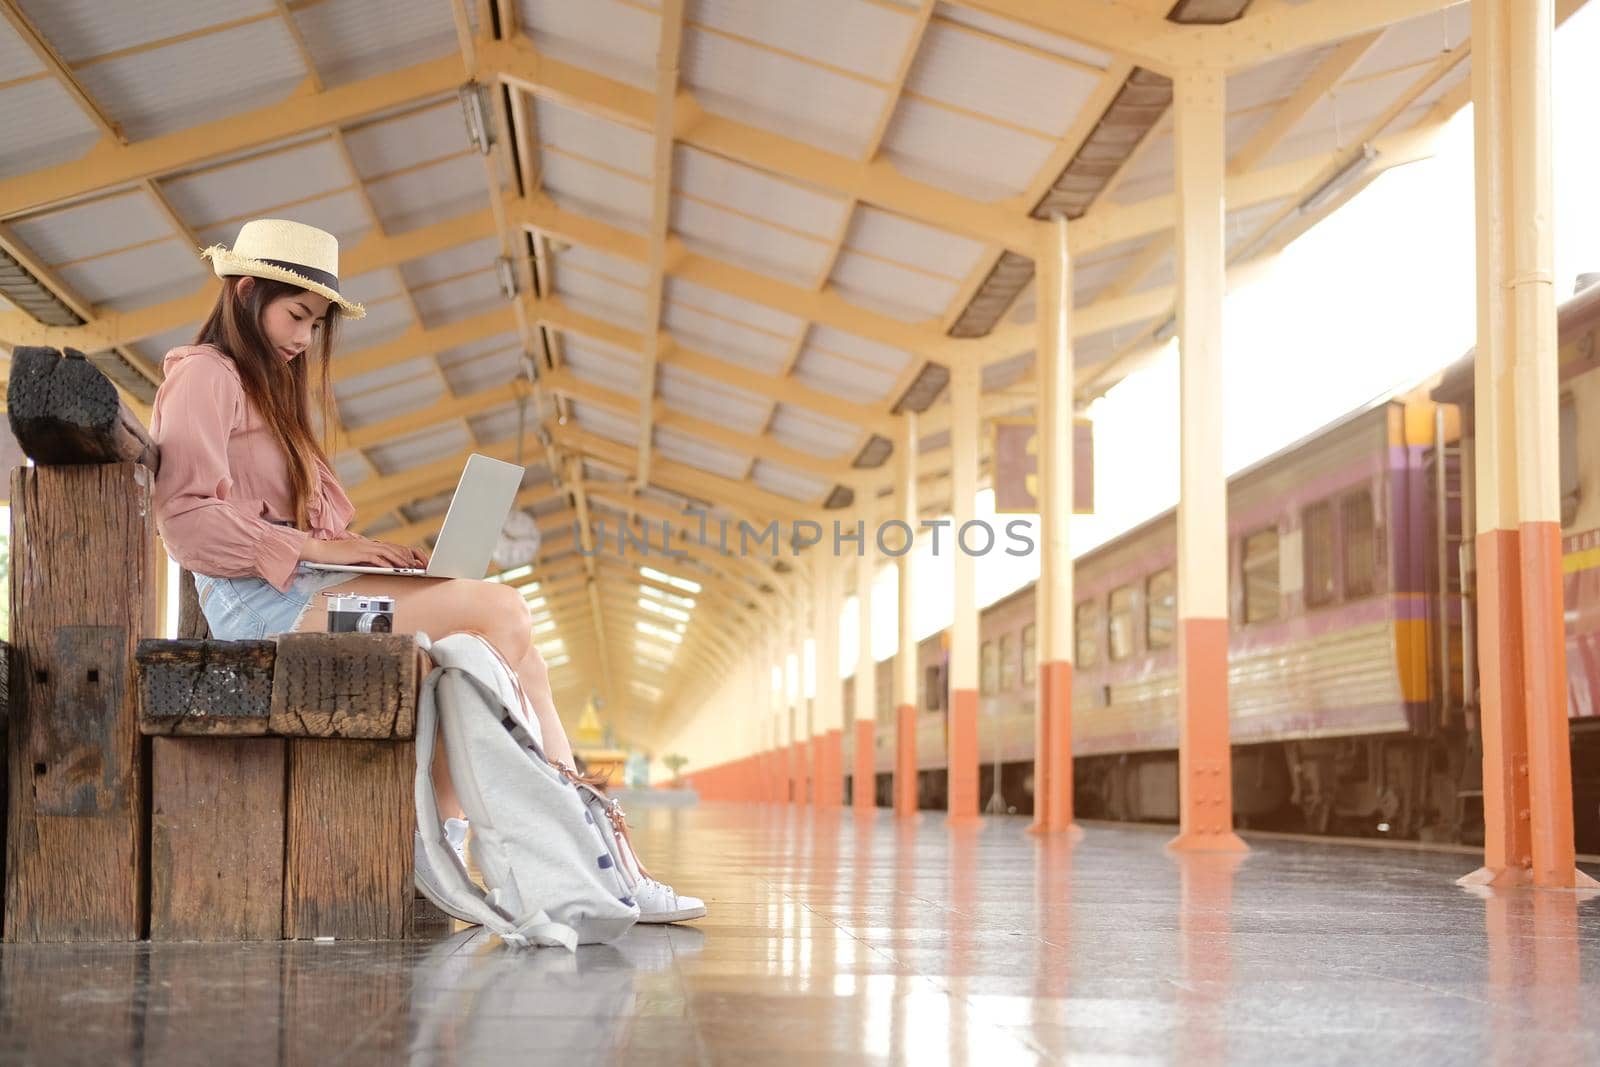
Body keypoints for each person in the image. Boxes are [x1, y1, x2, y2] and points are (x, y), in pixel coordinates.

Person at [150, 218, 704, 925]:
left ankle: (593, 853)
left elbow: (296, 530)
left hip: (312, 596)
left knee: (499, 647)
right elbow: (184, 520)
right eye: (297, 315)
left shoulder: (269, 393)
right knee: (500, 612)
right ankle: (507, 844)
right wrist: (325, 551)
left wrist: (368, 550)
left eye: (316, 324)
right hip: (272, 614)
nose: (304, 339)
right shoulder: (205, 375)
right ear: (247, 291)